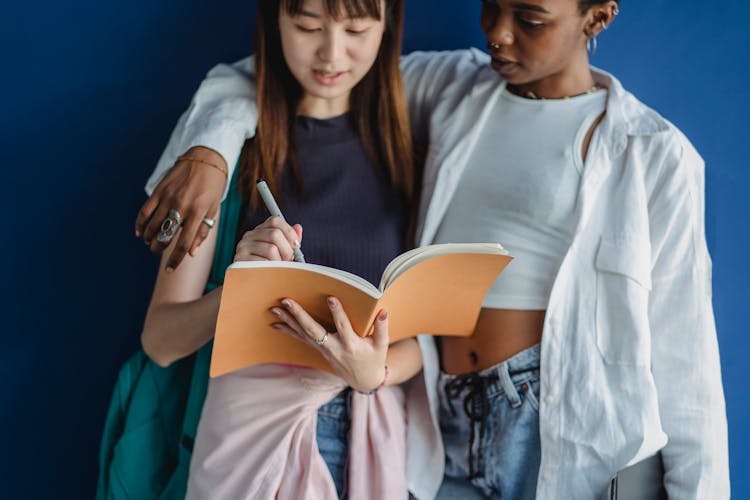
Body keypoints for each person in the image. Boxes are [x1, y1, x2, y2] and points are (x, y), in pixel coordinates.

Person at [137, 0, 729, 498]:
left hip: (542, 419)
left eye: (529, 18)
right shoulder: (453, 91)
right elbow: (261, 80)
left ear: (596, 18)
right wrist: (208, 153)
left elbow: (688, 370)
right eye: (490, 6)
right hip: (439, 425)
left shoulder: (651, 153)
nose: (497, 33)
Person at [138, 0, 423, 498]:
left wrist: (373, 373)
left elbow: (425, 340)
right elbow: (161, 341)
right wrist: (242, 286)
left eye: (356, 29)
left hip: (373, 443)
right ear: (275, 21)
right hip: (247, 448)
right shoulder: (225, 153)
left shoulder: (409, 148)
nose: (332, 54)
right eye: (308, 26)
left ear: (388, 26)